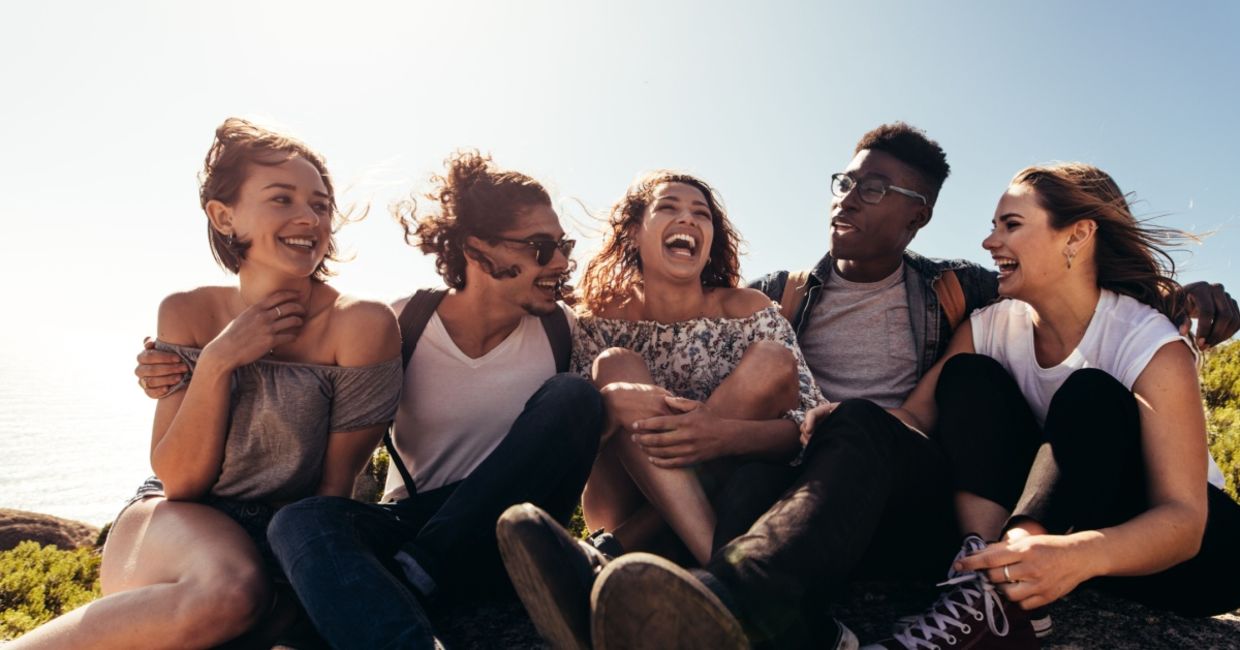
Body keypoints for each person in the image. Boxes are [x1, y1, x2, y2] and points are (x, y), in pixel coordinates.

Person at [507, 124, 1240, 650]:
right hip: (838, 488)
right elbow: (906, 419)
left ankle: (726, 593)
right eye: (846, 180)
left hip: (1106, 530)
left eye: (875, 187)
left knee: (1072, 398)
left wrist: (1181, 296)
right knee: (836, 434)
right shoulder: (785, 295)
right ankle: (677, 591)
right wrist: (816, 434)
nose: (849, 196)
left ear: (916, 215)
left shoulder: (968, 293)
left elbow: (1179, 506)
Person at [136, 150, 604, 649]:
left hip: (511, 531)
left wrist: (625, 396)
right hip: (412, 525)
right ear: (477, 249)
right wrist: (179, 367)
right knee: (301, 519)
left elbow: (617, 378)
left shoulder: (565, 332)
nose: (560, 261)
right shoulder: (405, 324)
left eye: (562, 245)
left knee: (575, 397)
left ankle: (417, 577)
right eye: (540, 246)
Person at [13, 118, 403, 650]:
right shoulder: (187, 312)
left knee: (264, 613)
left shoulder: (362, 325)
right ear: (224, 216)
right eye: (281, 199)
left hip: (291, 533)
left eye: (319, 204)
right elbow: (181, 481)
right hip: (173, 525)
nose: (307, 218)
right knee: (231, 590)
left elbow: (329, 498)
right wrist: (220, 359)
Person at [861, 162, 1240, 648]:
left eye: (1011, 225)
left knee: (1090, 395)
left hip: (1190, 554)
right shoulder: (993, 325)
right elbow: (915, 416)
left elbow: (1184, 522)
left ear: (1077, 236)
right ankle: (994, 578)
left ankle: (1006, 583)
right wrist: (845, 419)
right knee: (968, 376)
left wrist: (1076, 556)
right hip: (1061, 532)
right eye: (993, 226)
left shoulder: (1150, 342)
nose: (989, 243)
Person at [496, 171, 823, 648]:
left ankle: (626, 559)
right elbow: (582, 436)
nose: (687, 218)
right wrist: (615, 405)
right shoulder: (601, 319)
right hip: (622, 495)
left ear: (711, 238)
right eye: (669, 207)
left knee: (772, 361)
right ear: (635, 230)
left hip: (733, 485)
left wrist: (717, 432)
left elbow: (811, 427)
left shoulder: (748, 308)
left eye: (701, 213)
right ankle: (727, 577)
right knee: (615, 367)